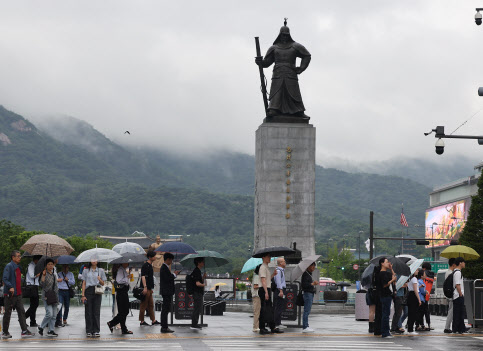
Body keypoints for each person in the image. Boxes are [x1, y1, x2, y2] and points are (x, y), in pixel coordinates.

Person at [255, 21, 311, 119]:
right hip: (278, 73)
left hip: (291, 73)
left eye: (286, 35)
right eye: (283, 35)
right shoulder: (274, 48)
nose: (284, 37)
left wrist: (301, 68)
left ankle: (298, 111)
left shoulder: (295, 46)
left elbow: (307, 55)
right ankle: (274, 109)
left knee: (293, 92)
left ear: (289, 35)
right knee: (277, 91)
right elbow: (267, 62)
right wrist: (260, 62)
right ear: (279, 35)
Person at [1, 250, 35, 339]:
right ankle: (4, 332)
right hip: (10, 294)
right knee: (8, 314)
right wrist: (10, 287)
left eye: (20, 256)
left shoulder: (17, 267)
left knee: (22, 312)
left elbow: (18, 279)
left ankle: (24, 331)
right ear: (13, 257)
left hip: (18, 294)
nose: (20, 258)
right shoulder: (9, 266)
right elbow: (5, 278)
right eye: (18, 256)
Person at [258, 253, 283, 335]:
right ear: (263, 257)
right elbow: (263, 281)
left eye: (270, 257)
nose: (270, 258)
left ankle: (272, 327)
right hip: (264, 289)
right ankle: (262, 327)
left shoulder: (266, 267)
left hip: (266, 288)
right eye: (268, 257)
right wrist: (266, 292)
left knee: (269, 309)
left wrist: (273, 275)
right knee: (264, 309)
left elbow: (267, 279)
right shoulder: (262, 267)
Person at [81, 260, 107, 337]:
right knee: (88, 311)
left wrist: (99, 279)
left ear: (98, 261)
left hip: (97, 291)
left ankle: (96, 330)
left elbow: (103, 283)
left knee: (96, 311)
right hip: (88, 291)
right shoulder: (86, 270)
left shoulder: (101, 270)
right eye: (92, 259)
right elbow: (84, 283)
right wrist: (83, 295)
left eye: (95, 259)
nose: (94, 261)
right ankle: (89, 330)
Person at [107, 263, 132, 335]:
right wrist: (127, 277)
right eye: (126, 262)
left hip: (123, 292)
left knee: (123, 312)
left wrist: (128, 276)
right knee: (124, 311)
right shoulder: (120, 270)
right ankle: (111, 323)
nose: (128, 263)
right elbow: (119, 280)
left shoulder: (123, 270)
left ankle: (123, 329)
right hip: (122, 293)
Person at [139, 251, 160, 326]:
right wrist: (145, 287)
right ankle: (142, 321)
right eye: (154, 256)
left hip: (149, 289)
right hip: (146, 288)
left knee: (151, 305)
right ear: (150, 257)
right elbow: (143, 276)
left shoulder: (150, 265)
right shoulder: (145, 265)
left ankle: (153, 320)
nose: (155, 257)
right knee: (143, 305)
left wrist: (151, 288)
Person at [38, 258, 58, 337]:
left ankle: (51, 330)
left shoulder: (53, 275)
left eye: (51, 264)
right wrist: (43, 276)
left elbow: (56, 286)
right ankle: (41, 326)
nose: (50, 266)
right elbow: (41, 285)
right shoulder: (44, 274)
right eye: (48, 264)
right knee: (49, 313)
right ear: (46, 266)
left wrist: (57, 298)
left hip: (54, 296)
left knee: (54, 315)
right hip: (46, 296)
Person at [159, 252, 179, 333]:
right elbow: (167, 279)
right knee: (165, 309)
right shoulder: (164, 268)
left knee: (165, 309)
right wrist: (174, 274)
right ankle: (164, 327)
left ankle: (164, 326)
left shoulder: (165, 268)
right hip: (166, 291)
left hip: (167, 291)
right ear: (168, 259)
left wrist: (173, 274)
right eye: (171, 260)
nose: (171, 262)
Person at [378, 257, 396, 338]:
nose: (388, 263)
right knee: (385, 314)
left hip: (388, 295)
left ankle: (386, 331)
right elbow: (385, 284)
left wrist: (391, 269)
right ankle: (385, 333)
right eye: (386, 262)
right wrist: (392, 280)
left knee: (387, 314)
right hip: (385, 295)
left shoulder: (387, 272)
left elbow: (394, 277)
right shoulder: (381, 273)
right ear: (382, 263)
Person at [452, 257, 469, 334]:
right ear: (460, 263)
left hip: (457, 295)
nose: (464, 264)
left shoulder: (456, 272)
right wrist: (461, 294)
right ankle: (458, 328)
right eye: (463, 262)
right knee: (459, 312)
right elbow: (457, 285)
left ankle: (459, 328)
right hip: (458, 295)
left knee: (458, 312)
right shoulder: (458, 273)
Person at [301, 261, 318, 333]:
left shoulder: (309, 274)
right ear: (308, 266)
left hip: (310, 293)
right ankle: (305, 326)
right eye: (312, 266)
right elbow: (304, 285)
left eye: (314, 266)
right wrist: (312, 283)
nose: (313, 267)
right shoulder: (305, 274)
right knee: (306, 311)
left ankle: (306, 325)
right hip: (307, 294)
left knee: (307, 310)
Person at [25, 255, 41, 327]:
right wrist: (39, 274)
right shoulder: (31, 266)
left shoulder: (35, 265)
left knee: (33, 305)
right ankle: (23, 318)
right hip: (31, 286)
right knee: (35, 304)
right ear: (36, 260)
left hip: (35, 286)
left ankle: (32, 321)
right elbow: (32, 275)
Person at [191, 257, 206, 330]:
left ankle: (195, 323)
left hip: (197, 292)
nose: (203, 263)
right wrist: (204, 285)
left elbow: (199, 281)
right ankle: (194, 323)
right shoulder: (196, 271)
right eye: (202, 262)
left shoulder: (198, 271)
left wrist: (203, 277)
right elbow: (197, 283)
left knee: (197, 308)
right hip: (197, 292)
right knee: (197, 308)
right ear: (198, 263)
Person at [407, 268, 422, 335]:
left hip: (410, 295)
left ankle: (410, 328)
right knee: (413, 313)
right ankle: (411, 330)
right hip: (414, 296)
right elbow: (416, 290)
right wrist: (419, 299)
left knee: (410, 313)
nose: (418, 271)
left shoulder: (409, 278)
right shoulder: (414, 279)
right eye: (416, 270)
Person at [273, 258, 287, 329]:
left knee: (280, 307)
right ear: (280, 263)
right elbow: (278, 282)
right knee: (278, 307)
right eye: (284, 261)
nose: (285, 262)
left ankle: (279, 322)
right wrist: (281, 291)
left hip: (280, 290)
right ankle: (276, 323)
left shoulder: (281, 271)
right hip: (279, 290)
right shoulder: (278, 271)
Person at [444, 258, 456, 333]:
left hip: (449, 294)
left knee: (451, 311)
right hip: (452, 294)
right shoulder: (450, 273)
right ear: (454, 265)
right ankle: (447, 327)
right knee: (451, 311)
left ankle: (449, 326)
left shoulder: (448, 272)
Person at [421, 262, 434, 330]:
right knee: (426, 311)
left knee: (420, 311)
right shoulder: (432, 275)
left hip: (422, 294)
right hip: (427, 295)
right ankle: (429, 324)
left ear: (424, 268)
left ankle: (421, 324)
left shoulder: (424, 274)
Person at [251, 264, 262, 332]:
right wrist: (263, 285)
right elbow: (255, 286)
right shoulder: (256, 277)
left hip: (258, 295)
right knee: (257, 311)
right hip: (256, 296)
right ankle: (255, 326)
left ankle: (257, 326)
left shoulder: (257, 276)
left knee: (258, 311)